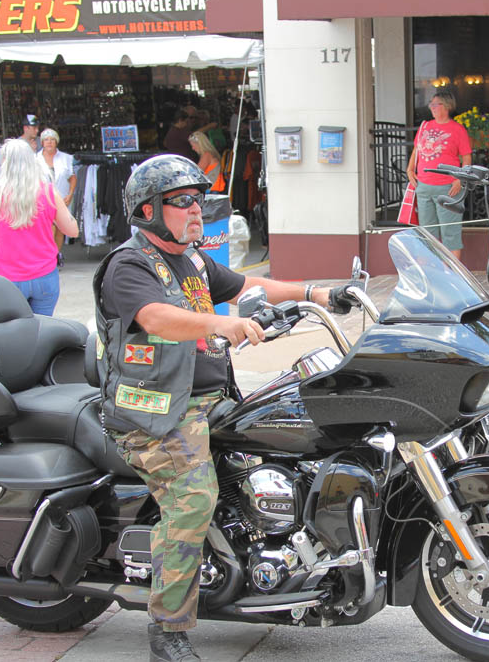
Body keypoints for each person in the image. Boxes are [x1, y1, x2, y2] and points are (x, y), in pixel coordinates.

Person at [92, 154, 352, 662]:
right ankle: (167, 631)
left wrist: (317, 291)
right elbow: (157, 317)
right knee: (192, 499)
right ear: (147, 209)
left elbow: (247, 287)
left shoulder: (191, 260)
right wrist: (217, 324)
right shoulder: (129, 265)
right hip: (158, 411)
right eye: (183, 201)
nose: (197, 209)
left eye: (200, 199)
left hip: (210, 400)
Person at [0, 139, 79, 315]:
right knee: (43, 330)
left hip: (7, 277)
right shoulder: (48, 192)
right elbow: (72, 230)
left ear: (5, 163)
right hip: (44, 275)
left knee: (13, 333)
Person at [406, 90, 472, 260]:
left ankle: (452, 275)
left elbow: (466, 157)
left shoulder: (457, 129)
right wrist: (410, 169)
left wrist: (460, 178)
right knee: (428, 234)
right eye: (431, 104)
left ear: (447, 106)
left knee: (450, 232)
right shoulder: (425, 126)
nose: (432, 107)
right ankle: (433, 272)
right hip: (424, 186)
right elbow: (417, 150)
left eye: (436, 104)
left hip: (447, 187)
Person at [37, 128, 77, 250]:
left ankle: (56, 255)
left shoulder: (66, 158)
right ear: (42, 142)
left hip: (62, 198)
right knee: (48, 228)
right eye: (46, 140)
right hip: (42, 199)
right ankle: (47, 254)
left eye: (52, 140)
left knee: (60, 229)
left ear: (57, 142)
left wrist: (70, 194)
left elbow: (72, 177)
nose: (49, 142)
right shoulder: (35, 159)